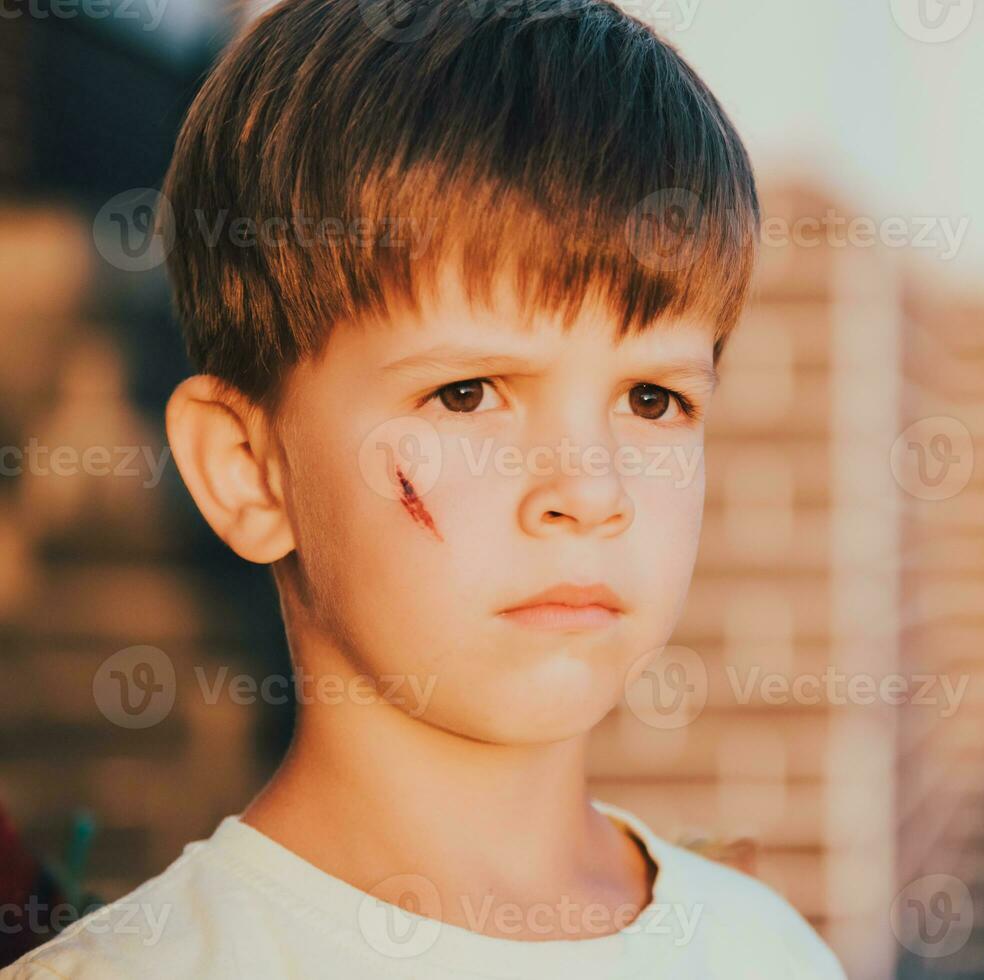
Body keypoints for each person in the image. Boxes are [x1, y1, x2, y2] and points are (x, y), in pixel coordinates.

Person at [2, 1, 844, 976]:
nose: (589, 488)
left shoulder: (768, 950)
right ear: (247, 469)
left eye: (650, 397)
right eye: (467, 392)